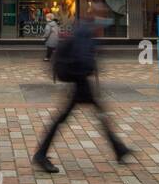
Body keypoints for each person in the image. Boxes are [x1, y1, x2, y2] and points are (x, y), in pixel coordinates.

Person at [33, 9, 132, 174]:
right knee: (67, 117)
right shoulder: (86, 32)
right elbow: (83, 57)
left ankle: (119, 149)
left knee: (94, 113)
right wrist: (91, 68)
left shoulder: (83, 29)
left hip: (80, 80)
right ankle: (41, 154)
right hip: (80, 81)